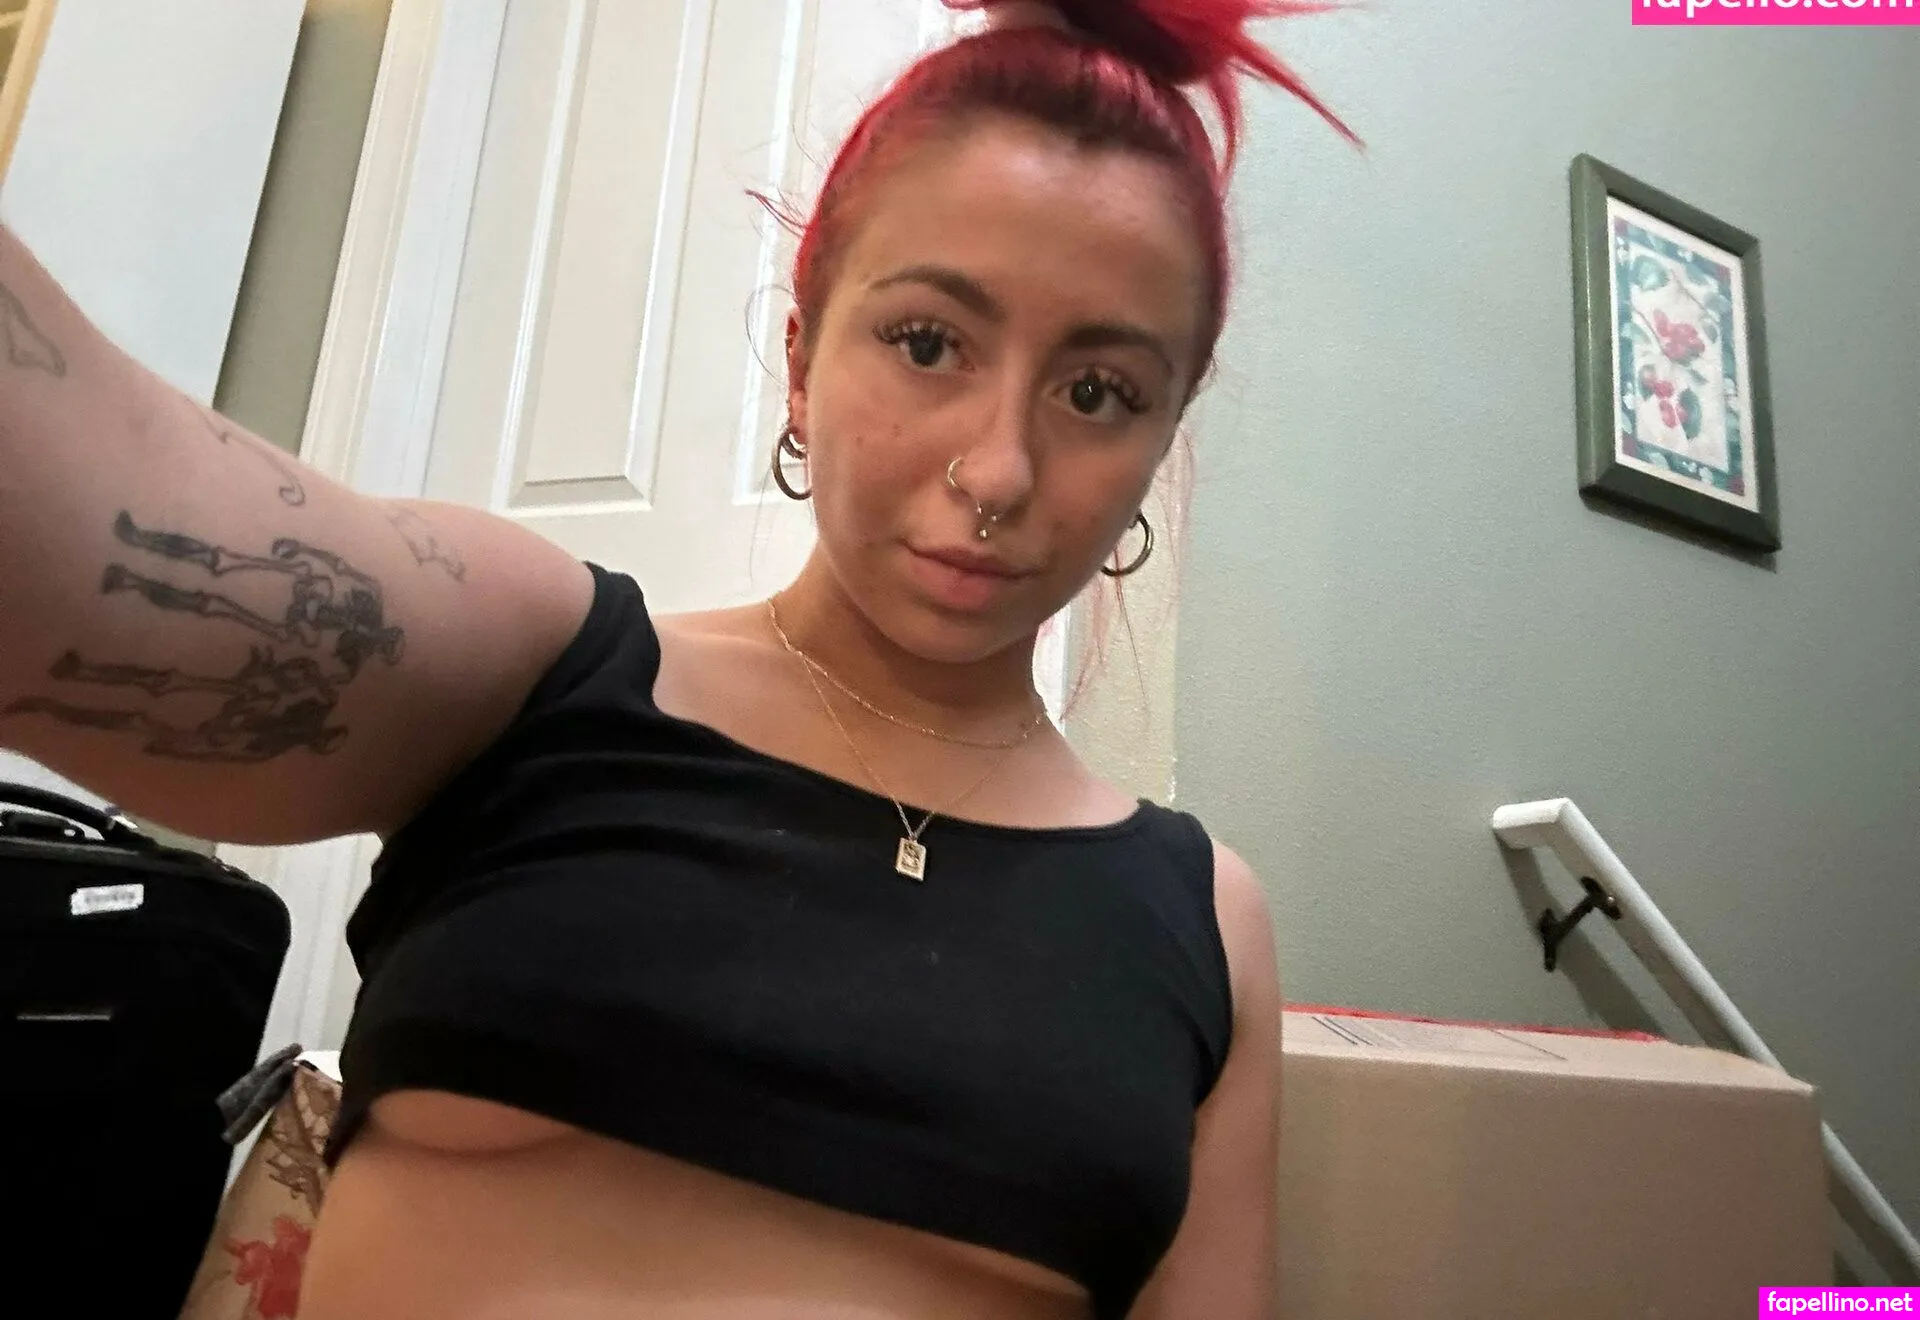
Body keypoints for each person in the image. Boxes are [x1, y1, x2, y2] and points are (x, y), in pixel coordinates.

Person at [0, 0, 1353, 1315]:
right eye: (929, 342)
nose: (998, 470)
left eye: (1099, 392)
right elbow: (105, 529)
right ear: (801, 358)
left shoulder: (1203, 924)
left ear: (1163, 438)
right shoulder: (531, 674)